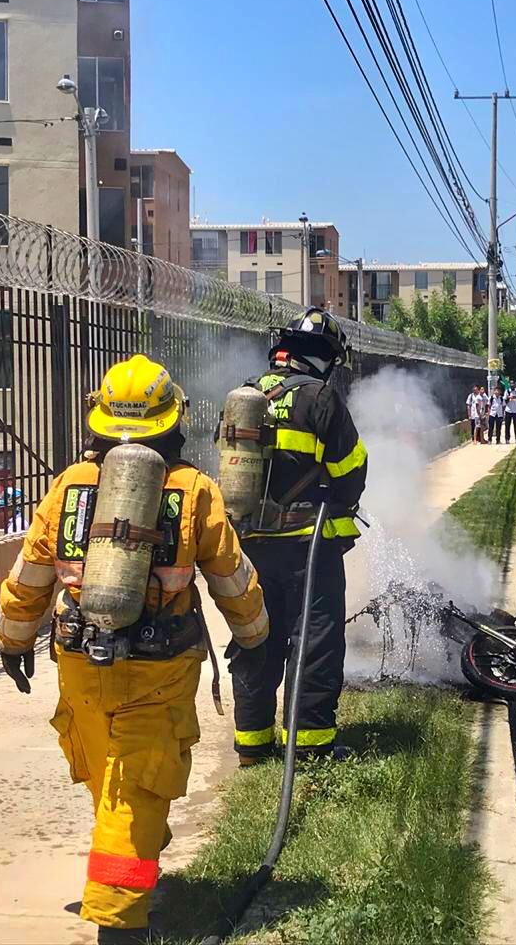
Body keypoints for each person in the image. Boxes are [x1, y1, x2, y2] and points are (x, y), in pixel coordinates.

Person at [0, 355, 268, 944]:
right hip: (158, 671)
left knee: (110, 785)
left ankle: (134, 868)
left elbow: (30, 575)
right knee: (135, 791)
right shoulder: (193, 490)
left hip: (79, 662)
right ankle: (120, 925)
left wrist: (11, 641)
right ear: (174, 421)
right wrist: (255, 637)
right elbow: (231, 577)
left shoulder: (69, 485)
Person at [231, 308, 368, 767]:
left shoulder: (246, 396)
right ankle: (310, 745)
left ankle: (252, 744)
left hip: (249, 545)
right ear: (325, 357)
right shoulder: (320, 399)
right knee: (315, 640)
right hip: (308, 545)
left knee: (255, 637)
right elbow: (351, 471)